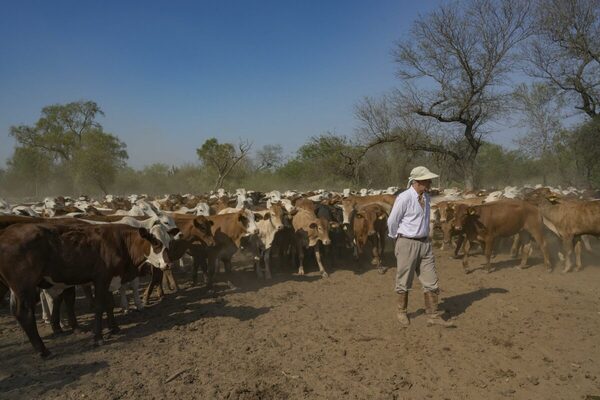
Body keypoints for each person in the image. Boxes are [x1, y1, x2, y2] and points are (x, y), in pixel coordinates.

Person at [387, 166, 454, 328]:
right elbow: (392, 221)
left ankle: (433, 315)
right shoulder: (404, 198)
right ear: (417, 181)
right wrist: (397, 238)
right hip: (407, 243)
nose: (430, 183)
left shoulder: (427, 197)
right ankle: (401, 311)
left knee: (431, 280)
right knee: (404, 280)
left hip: (425, 243)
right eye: (427, 181)